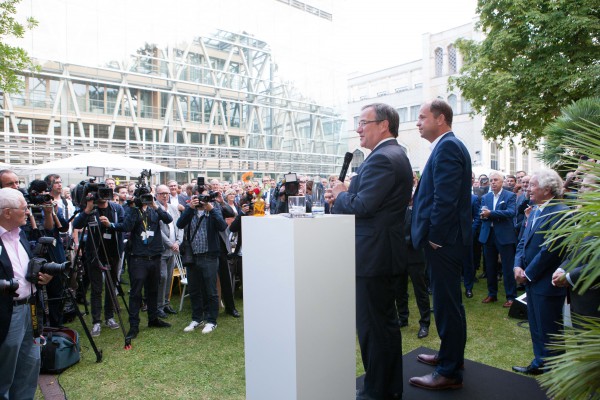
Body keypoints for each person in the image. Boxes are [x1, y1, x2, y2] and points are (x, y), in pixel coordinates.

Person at [331, 103, 411, 400]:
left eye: (363, 122)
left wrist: (341, 195)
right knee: (383, 325)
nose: (358, 128)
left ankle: (377, 391)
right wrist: (346, 196)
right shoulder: (395, 154)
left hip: (372, 255)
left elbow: (363, 206)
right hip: (381, 253)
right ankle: (386, 389)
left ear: (384, 125)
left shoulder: (382, 159)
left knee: (373, 329)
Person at [410, 99, 471, 390]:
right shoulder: (447, 146)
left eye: (422, 117)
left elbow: (444, 200)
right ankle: (450, 357)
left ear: (441, 119)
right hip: (447, 241)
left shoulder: (448, 147)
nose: (417, 122)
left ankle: (449, 372)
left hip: (444, 242)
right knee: (449, 304)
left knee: (447, 305)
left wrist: (434, 237)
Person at [512, 169, 569, 375]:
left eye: (532, 185)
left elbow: (551, 250)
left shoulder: (560, 211)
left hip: (547, 283)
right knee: (535, 326)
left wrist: (527, 273)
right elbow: (523, 241)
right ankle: (539, 363)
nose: (528, 189)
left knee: (550, 330)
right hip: (531, 280)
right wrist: (517, 265)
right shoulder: (535, 209)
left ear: (547, 189)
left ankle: (555, 373)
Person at [0, 188, 53, 399]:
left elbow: (26, 268)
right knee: (4, 372)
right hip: (7, 313)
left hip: (30, 309)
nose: (28, 213)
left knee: (30, 366)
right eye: (24, 209)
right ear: (6, 213)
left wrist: (43, 275)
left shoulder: (20, 233)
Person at [115, 187, 173, 340]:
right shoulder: (132, 211)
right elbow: (126, 227)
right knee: (136, 293)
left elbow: (168, 219)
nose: (146, 199)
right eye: (143, 197)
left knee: (153, 290)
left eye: (148, 196)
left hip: (154, 256)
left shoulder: (155, 210)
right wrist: (134, 207)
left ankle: (153, 319)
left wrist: (155, 206)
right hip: (138, 258)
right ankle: (134, 325)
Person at [72, 187, 127, 337]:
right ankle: (96, 321)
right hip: (94, 254)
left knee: (111, 286)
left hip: (113, 252)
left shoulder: (117, 208)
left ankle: (109, 317)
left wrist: (111, 225)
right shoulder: (91, 209)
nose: (103, 197)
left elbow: (125, 226)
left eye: (105, 193)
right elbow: (76, 225)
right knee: (96, 288)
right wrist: (88, 209)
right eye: (100, 193)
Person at [177, 184, 228, 334]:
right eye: (198, 197)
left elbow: (222, 226)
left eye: (204, 196)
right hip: (192, 257)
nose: (201, 200)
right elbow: (180, 224)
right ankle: (197, 318)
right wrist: (190, 208)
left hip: (209, 256)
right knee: (194, 290)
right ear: (192, 197)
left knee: (211, 290)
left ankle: (211, 320)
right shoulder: (190, 211)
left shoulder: (213, 210)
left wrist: (211, 209)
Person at [479, 172, 518, 307]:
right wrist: (483, 215)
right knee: (490, 267)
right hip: (488, 235)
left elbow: (511, 212)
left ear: (502, 182)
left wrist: (491, 214)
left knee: (507, 267)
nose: (493, 182)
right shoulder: (486, 197)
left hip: (505, 235)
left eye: (496, 180)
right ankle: (492, 294)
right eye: (491, 180)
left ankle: (511, 296)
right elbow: (482, 212)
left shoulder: (510, 195)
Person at [155, 185, 182, 317]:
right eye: (162, 194)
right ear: (156, 195)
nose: (165, 196)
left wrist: (178, 241)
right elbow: (157, 231)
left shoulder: (172, 208)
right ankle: (158, 305)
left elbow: (180, 225)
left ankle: (166, 303)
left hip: (174, 249)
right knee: (162, 276)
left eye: (167, 193)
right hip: (161, 249)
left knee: (169, 276)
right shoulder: (154, 209)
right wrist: (170, 243)